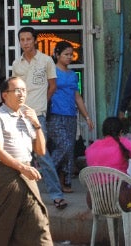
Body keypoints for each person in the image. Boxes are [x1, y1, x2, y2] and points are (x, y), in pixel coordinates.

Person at [0, 77, 53, 246]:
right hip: (4, 175)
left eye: (24, 90)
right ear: (5, 95)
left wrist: (36, 125)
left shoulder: (26, 116)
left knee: (38, 222)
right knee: (1, 228)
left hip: (26, 173)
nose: (22, 94)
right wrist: (22, 168)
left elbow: (41, 151)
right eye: (17, 90)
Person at [11, 26, 67, 209]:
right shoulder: (16, 64)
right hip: (19, 115)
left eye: (28, 39)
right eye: (22, 40)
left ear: (35, 40)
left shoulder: (45, 61)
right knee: (19, 156)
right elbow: (14, 88)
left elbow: (53, 86)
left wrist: (42, 103)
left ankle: (57, 195)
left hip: (37, 116)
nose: (25, 43)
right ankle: (20, 195)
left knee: (43, 156)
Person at [48, 41, 94, 194]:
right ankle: (47, 171)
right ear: (57, 55)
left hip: (71, 115)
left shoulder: (73, 75)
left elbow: (77, 97)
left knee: (70, 150)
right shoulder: (51, 72)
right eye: (65, 54)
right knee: (64, 145)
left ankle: (65, 181)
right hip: (54, 114)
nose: (69, 57)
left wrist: (86, 117)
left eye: (70, 54)